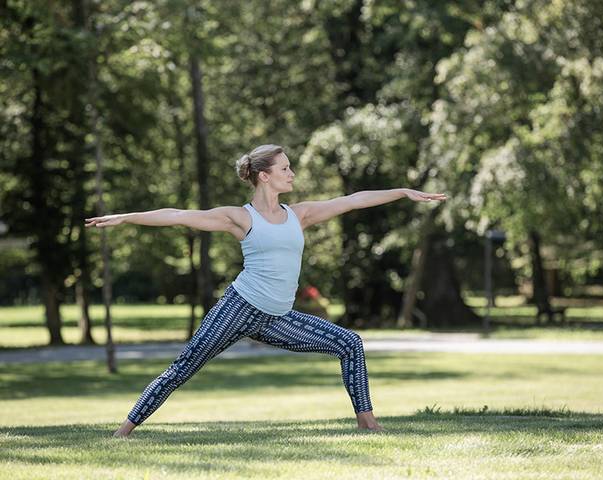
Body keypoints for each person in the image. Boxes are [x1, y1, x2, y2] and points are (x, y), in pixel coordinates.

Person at [85, 144, 447, 438]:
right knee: (182, 369)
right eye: (285, 168)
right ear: (265, 176)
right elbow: (178, 214)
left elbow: (352, 200)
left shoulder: (299, 214)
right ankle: (123, 432)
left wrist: (402, 192)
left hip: (276, 318)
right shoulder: (240, 217)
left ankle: (367, 422)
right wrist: (127, 217)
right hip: (238, 308)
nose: (292, 174)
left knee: (349, 343)